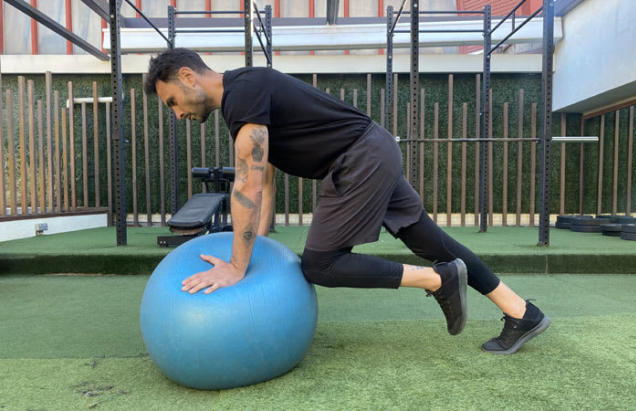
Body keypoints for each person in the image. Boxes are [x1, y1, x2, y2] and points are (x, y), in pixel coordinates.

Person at [144, 48, 550, 355]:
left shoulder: (242, 92)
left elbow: (246, 186)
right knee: (431, 242)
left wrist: (236, 266)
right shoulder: (246, 95)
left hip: (357, 158)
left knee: (321, 263)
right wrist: (258, 250)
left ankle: (438, 280)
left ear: (187, 76)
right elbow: (264, 184)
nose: (176, 114)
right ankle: (521, 313)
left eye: (172, 102)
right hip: (373, 148)